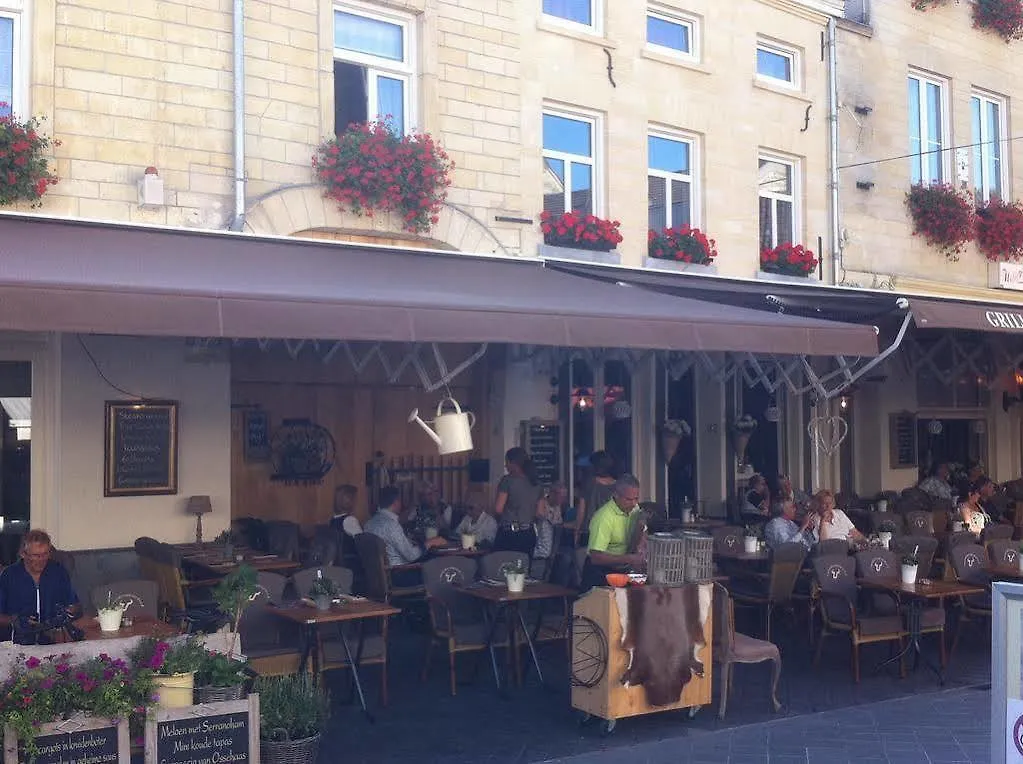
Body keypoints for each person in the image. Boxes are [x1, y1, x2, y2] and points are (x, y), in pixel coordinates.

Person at [0, 530, 81, 644]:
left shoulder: (58, 572)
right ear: (23, 554)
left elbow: (75, 605)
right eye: (36, 556)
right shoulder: (8, 576)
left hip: (52, 642)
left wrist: (71, 612)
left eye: (45, 554)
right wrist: (14, 620)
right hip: (16, 644)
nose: (42, 560)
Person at [582, 475, 645, 589]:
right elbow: (596, 557)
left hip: (621, 570)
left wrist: (640, 545)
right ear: (616, 495)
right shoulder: (603, 518)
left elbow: (643, 529)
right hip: (599, 574)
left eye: (636, 498)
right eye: (628, 499)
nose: (633, 503)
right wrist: (629, 558)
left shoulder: (635, 509)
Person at [365, 486, 447, 572]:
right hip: (398, 574)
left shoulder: (369, 523)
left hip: (379, 574)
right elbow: (411, 556)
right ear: (396, 503)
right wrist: (430, 543)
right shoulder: (391, 524)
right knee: (438, 565)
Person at [493, 447, 543, 555]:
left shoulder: (507, 481)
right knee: (523, 568)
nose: (505, 465)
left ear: (513, 463)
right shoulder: (536, 483)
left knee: (503, 567)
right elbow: (539, 513)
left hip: (509, 533)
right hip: (528, 533)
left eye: (507, 462)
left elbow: (498, 509)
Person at [575, 451, 617, 547]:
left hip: (589, 531)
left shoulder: (588, 483)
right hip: (610, 532)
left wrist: (577, 531)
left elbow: (581, 510)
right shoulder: (617, 486)